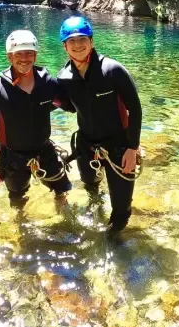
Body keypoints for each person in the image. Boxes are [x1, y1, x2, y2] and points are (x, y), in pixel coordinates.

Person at [57, 16, 142, 234]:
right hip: (86, 147)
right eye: (72, 41)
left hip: (119, 146)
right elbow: (71, 106)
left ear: (92, 41)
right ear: (64, 46)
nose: (78, 45)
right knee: (90, 186)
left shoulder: (112, 70)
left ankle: (112, 242)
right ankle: (96, 209)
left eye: (83, 39)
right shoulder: (64, 77)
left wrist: (132, 148)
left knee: (121, 209)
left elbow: (135, 109)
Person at [0, 30, 72, 206]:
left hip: (45, 152)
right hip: (13, 158)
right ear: (9, 57)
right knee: (17, 198)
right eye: (18, 54)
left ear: (35, 55)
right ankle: (20, 221)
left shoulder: (48, 84)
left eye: (29, 53)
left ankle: (64, 214)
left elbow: (70, 105)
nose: (24, 58)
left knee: (62, 190)